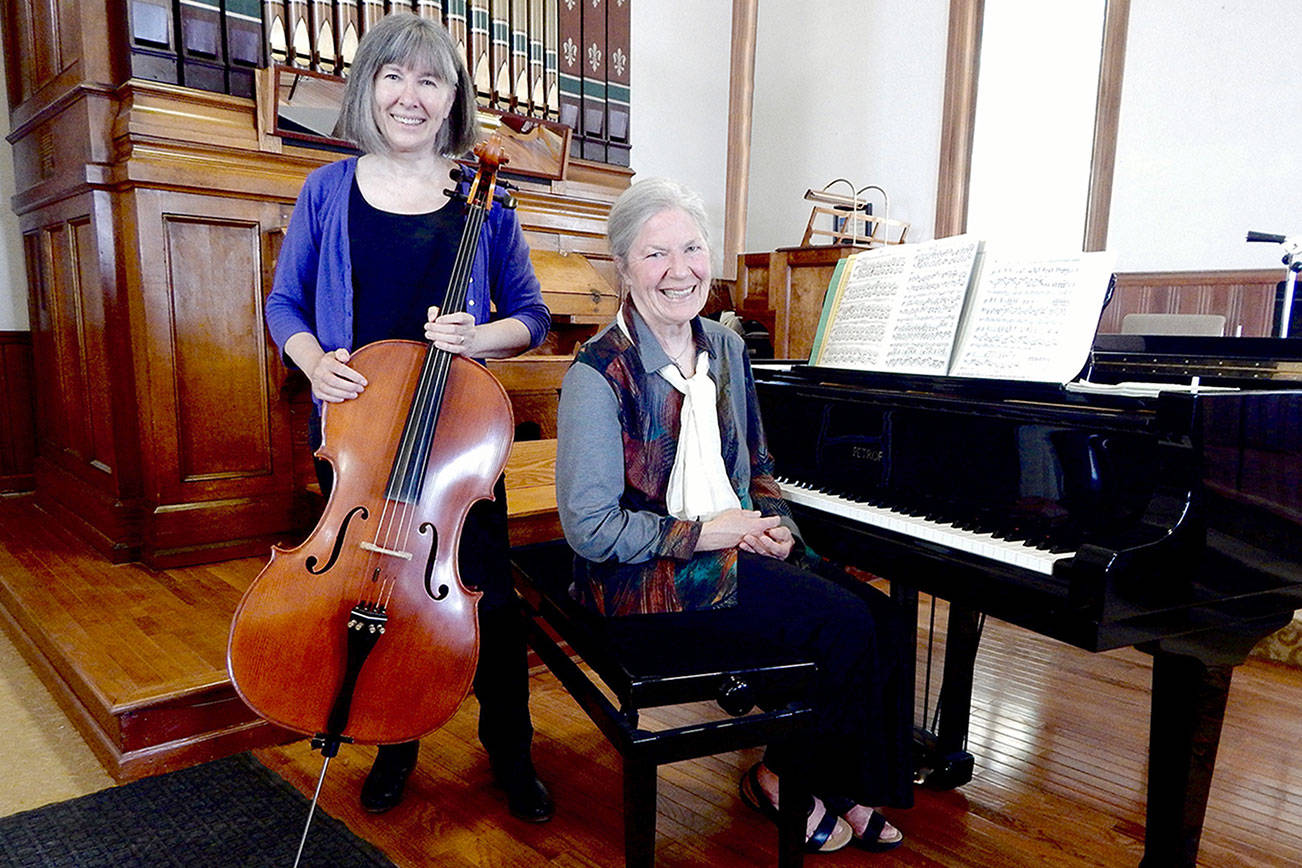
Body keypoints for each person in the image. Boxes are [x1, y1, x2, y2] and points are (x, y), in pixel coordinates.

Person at [554, 178, 913, 854]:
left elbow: (758, 466)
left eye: (692, 249)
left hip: (734, 546)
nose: (680, 270)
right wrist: (716, 533)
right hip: (641, 580)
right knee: (840, 621)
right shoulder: (596, 375)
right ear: (622, 266)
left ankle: (840, 780)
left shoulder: (725, 347)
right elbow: (592, 530)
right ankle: (781, 777)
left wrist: (777, 529)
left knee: (886, 617)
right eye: (655, 254)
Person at [264, 12, 553, 823]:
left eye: (430, 80)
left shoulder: (486, 198)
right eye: (393, 76)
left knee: (491, 606)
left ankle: (511, 750)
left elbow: (530, 316)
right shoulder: (326, 190)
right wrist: (313, 361)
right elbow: (285, 302)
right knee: (372, 593)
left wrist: (477, 336)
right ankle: (394, 740)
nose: (410, 96)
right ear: (368, 87)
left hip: (455, 445)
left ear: (453, 97)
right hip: (360, 440)